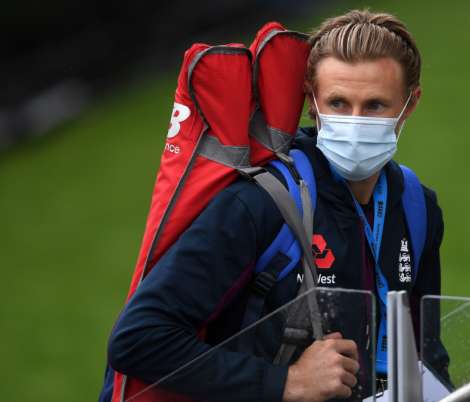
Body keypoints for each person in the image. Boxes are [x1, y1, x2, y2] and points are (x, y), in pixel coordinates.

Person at [107, 9, 446, 402]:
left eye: (374, 105)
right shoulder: (260, 202)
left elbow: (428, 356)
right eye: (337, 103)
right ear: (311, 102)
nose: (355, 122)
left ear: (410, 103)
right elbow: (138, 338)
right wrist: (286, 382)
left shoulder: (417, 208)